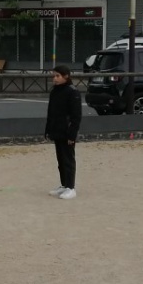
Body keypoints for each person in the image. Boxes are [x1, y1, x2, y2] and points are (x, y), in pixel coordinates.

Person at [44, 64, 82, 200]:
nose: (54, 78)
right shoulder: (54, 92)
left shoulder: (73, 92)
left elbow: (76, 116)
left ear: (66, 76)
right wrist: (48, 129)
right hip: (57, 131)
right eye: (53, 76)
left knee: (68, 160)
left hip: (67, 132)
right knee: (60, 160)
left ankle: (71, 187)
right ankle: (64, 184)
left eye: (57, 76)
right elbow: (51, 113)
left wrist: (72, 134)